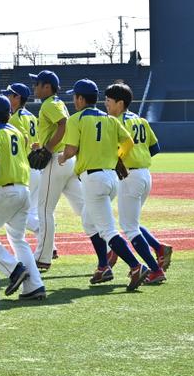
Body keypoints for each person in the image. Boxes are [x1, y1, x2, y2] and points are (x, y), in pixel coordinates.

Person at [57, 79, 164, 290]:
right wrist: (117, 156)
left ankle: (136, 266)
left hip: (93, 179)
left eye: (75, 97)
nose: (74, 101)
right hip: (112, 178)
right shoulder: (110, 119)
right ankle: (103, 266)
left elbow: (70, 150)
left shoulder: (76, 119)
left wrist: (61, 157)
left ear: (81, 99)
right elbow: (128, 142)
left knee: (108, 230)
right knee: (88, 221)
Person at [0, 94, 45, 300]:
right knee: (17, 238)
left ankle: (14, 270)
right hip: (23, 190)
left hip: (6, 191)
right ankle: (34, 285)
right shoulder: (15, 131)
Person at [104, 82, 173, 274]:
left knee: (129, 227)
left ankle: (155, 268)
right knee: (131, 222)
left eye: (109, 100)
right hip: (145, 175)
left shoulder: (115, 122)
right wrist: (138, 157)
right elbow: (154, 148)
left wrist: (124, 158)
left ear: (120, 103)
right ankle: (158, 248)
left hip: (129, 176)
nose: (106, 104)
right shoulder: (140, 120)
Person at [29, 70, 84, 271]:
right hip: (67, 161)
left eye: (37, 83)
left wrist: (48, 148)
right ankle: (109, 242)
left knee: (44, 210)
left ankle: (43, 257)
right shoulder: (57, 103)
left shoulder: (49, 104)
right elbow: (61, 127)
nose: (34, 87)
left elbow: (63, 125)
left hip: (57, 160)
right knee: (84, 208)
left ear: (47, 87)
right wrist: (43, 145)